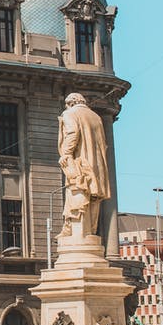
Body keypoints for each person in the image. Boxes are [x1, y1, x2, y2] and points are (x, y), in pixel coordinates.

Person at [56, 92, 111, 239]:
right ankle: (90, 232)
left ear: (70, 103)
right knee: (93, 198)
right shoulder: (96, 117)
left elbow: (73, 133)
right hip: (97, 166)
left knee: (77, 194)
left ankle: (75, 232)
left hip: (80, 164)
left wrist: (66, 154)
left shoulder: (70, 113)